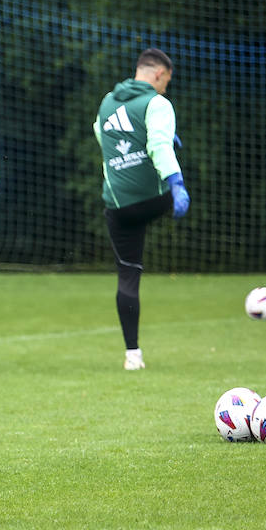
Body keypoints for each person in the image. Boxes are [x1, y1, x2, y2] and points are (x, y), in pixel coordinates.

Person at [94, 47, 188, 371]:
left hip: (118, 205)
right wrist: (176, 184)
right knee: (172, 174)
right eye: (166, 82)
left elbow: (102, 141)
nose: (165, 88)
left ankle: (132, 355)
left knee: (128, 274)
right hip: (155, 199)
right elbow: (158, 145)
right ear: (160, 74)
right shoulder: (157, 103)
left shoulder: (107, 102)